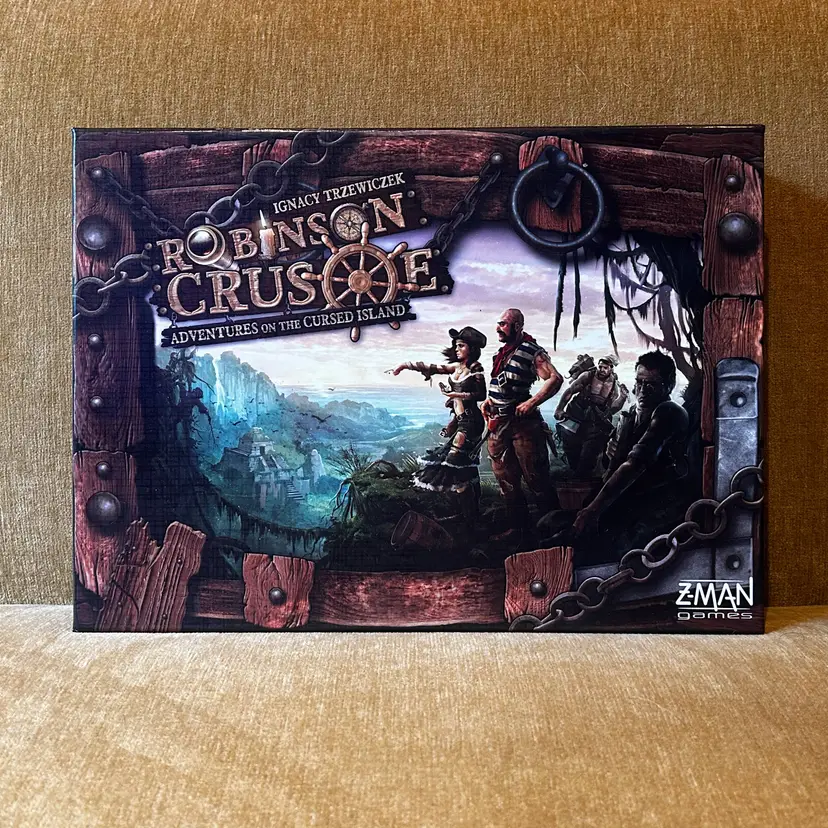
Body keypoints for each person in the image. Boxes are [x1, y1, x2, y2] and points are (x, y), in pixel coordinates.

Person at [571, 350, 689, 541]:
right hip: (631, 495)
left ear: (669, 385)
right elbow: (611, 461)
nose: (642, 390)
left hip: (660, 502)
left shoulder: (670, 412)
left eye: (651, 384)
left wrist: (592, 510)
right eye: (639, 383)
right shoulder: (632, 414)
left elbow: (635, 464)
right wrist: (610, 452)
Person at [390, 326, 488, 524]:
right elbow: (432, 367)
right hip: (461, 422)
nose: (457, 349)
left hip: (472, 423)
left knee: (454, 465)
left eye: (461, 346)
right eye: (456, 345)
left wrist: (455, 394)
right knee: (463, 468)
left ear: (472, 348)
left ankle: (471, 517)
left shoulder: (476, 368)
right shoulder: (456, 368)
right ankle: (470, 515)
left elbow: (481, 394)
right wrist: (404, 365)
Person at [481, 308, 563, 537]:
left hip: (522, 425)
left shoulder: (531, 351)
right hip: (498, 424)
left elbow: (555, 378)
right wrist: (489, 401)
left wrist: (532, 402)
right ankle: (518, 530)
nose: (498, 328)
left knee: (537, 478)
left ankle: (554, 531)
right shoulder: (501, 353)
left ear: (517, 326)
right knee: (506, 481)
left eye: (503, 324)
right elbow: (502, 385)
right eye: (498, 323)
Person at [554, 354, 629, 476]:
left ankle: (582, 476)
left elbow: (612, 409)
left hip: (595, 420)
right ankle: (574, 472)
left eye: (605, 368)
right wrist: (559, 409)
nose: (601, 370)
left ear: (611, 368)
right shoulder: (587, 376)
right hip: (577, 413)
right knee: (571, 444)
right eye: (600, 366)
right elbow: (570, 391)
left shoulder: (614, 385)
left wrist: (622, 397)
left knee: (590, 452)